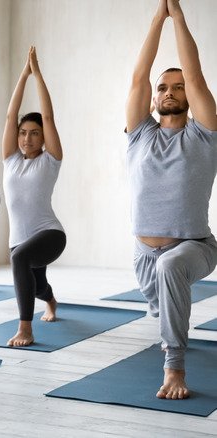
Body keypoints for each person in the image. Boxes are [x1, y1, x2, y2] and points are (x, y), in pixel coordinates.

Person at [126, 0, 217, 399]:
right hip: (142, 256)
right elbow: (137, 78)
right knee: (163, 299)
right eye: (163, 87)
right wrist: (154, 19)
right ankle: (171, 319)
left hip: (195, 247)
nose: (169, 91)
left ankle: (174, 368)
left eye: (177, 87)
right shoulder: (139, 134)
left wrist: (175, 15)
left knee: (170, 267)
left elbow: (196, 77)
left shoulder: (204, 135)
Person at [1, 47, 65, 347]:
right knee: (37, 286)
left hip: (49, 234)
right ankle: (50, 300)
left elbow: (49, 116)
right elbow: (11, 115)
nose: (27, 137)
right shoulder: (11, 160)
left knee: (19, 258)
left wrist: (37, 75)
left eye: (35, 133)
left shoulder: (50, 160)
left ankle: (25, 328)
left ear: (43, 136)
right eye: (23, 132)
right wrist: (22, 76)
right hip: (20, 240)